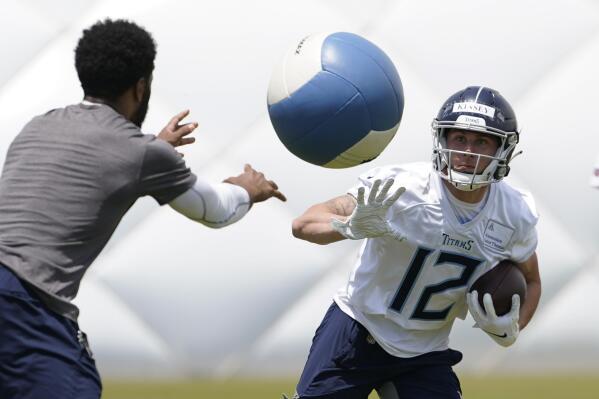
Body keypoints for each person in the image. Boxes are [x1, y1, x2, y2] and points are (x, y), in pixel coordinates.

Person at [0, 19, 285, 399]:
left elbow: (98, 159)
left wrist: (152, 148)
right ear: (140, 86)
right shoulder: (141, 154)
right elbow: (215, 211)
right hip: (25, 304)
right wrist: (248, 189)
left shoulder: (38, 126)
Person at [290, 86, 541, 399]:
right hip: (358, 330)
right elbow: (304, 223)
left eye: (482, 141)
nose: (467, 151)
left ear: (502, 149)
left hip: (425, 351)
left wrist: (514, 327)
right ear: (443, 140)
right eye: (459, 138)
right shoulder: (402, 189)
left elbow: (531, 280)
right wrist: (344, 225)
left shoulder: (513, 213)